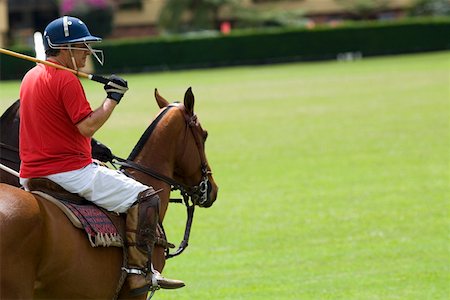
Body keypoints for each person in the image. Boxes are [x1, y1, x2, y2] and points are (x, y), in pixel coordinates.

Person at [18, 16, 184, 296]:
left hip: (31, 173)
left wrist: (91, 146)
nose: (87, 51)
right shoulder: (66, 80)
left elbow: (57, 126)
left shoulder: (31, 77)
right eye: (82, 45)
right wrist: (112, 99)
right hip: (68, 171)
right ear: (65, 49)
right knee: (146, 197)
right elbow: (87, 125)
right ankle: (139, 273)